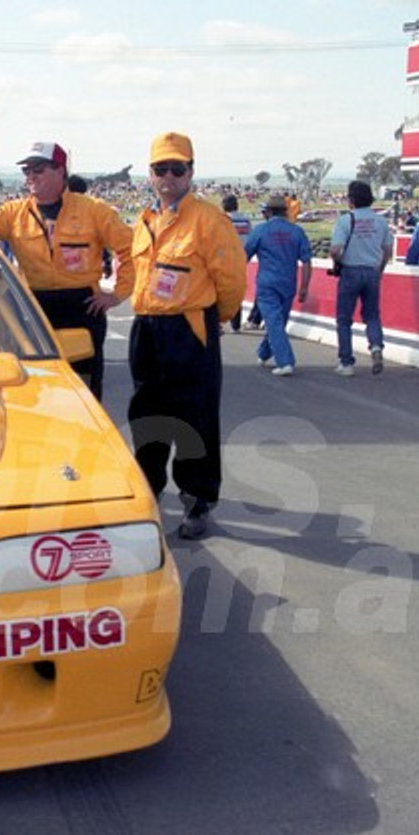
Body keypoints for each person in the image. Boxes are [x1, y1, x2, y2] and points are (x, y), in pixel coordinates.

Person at [123, 132, 246, 540]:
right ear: (151, 173)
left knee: (194, 416)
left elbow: (231, 281)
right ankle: (147, 492)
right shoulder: (143, 222)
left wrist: (214, 321)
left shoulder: (209, 221)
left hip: (189, 328)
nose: (170, 177)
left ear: (191, 172)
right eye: (162, 169)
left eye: (178, 168)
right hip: (147, 329)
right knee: (147, 414)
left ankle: (197, 501)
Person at [0, 141, 133, 400]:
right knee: (35, 390)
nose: (31, 176)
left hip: (82, 306)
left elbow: (132, 249)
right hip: (34, 308)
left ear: (60, 171)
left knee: (84, 390)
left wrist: (117, 294)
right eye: (27, 170)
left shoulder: (93, 210)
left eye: (38, 169)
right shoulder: (15, 212)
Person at [330, 180, 393, 378]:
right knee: (372, 314)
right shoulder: (380, 221)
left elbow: (334, 249)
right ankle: (375, 346)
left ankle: (346, 362)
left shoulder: (345, 221)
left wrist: (339, 260)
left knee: (344, 319)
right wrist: (380, 268)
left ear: (351, 200)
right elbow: (388, 250)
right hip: (372, 271)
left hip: (350, 271)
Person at [244, 195, 312, 376]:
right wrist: (304, 287)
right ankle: (264, 353)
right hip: (288, 283)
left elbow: (244, 256)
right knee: (278, 321)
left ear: (268, 212)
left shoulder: (261, 230)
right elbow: (306, 261)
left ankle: (285, 361)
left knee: (274, 322)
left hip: (267, 283)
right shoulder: (297, 231)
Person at [221, 195, 252, 332]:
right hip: (241, 260)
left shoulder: (221, 220)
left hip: (223, 260)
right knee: (237, 291)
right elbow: (251, 239)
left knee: (219, 291)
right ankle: (236, 325)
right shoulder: (245, 220)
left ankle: (218, 322)